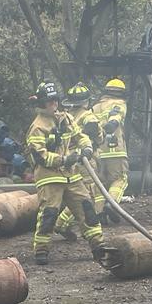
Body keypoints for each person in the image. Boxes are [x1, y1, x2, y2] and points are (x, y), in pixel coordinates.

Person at [25, 82, 105, 266]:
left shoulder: (66, 119)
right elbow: (40, 156)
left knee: (87, 209)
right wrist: (64, 159)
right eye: (49, 101)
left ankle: (98, 245)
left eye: (55, 100)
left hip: (72, 175)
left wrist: (86, 147)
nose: (53, 104)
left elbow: (81, 136)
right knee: (49, 214)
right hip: (50, 177)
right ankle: (41, 250)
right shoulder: (38, 126)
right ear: (42, 103)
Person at [54, 83, 104, 241]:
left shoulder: (66, 116)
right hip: (85, 161)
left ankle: (65, 225)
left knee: (72, 195)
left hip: (69, 161)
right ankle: (61, 224)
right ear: (86, 101)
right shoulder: (88, 115)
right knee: (86, 196)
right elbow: (94, 135)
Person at [91, 78, 130, 223]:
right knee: (120, 179)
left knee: (100, 183)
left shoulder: (95, 107)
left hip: (98, 152)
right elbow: (116, 116)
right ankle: (112, 205)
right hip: (116, 151)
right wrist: (112, 123)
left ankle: (100, 213)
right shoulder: (119, 103)